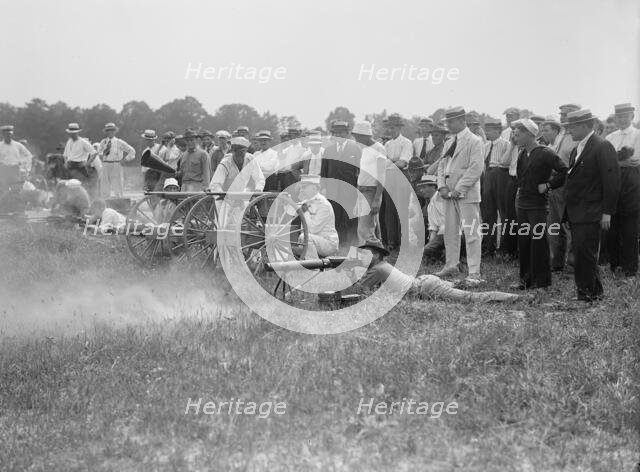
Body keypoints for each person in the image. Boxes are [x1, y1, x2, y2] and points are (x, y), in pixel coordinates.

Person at [564, 109, 620, 302]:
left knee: (586, 254)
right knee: (582, 253)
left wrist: (607, 212)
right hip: (577, 212)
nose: (569, 130)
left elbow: (611, 182)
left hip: (591, 211)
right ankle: (591, 293)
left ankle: (588, 295)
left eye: (573, 127)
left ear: (586, 126)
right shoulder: (577, 148)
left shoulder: (602, 146)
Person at [354, 240, 519, 302]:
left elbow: (359, 292)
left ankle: (518, 297)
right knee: (463, 286)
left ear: (375, 255)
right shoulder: (381, 266)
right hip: (425, 282)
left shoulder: (377, 270)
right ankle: (472, 281)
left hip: (426, 287)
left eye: (365, 254)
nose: (361, 257)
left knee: (472, 298)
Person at [511, 119, 568, 289]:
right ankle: (525, 280)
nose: (515, 137)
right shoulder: (522, 154)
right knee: (524, 241)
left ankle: (541, 282)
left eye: (518, 134)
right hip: (523, 204)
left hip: (538, 205)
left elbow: (564, 171)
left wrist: (549, 184)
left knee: (538, 241)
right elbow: (520, 177)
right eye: (514, 134)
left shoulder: (545, 153)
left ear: (529, 134)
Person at [435, 106, 484, 284]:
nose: (449, 125)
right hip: (448, 193)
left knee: (472, 232)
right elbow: (442, 167)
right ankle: (451, 265)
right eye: (447, 122)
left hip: (466, 194)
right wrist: (442, 187)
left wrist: (459, 188)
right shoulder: (449, 142)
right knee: (450, 231)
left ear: (463, 121)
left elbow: (476, 168)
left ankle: (474, 272)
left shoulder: (474, 141)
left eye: (452, 121)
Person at [605, 103, 640, 276]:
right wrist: (619, 163)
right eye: (619, 117)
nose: (622, 119)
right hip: (613, 182)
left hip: (632, 183)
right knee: (613, 226)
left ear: (632, 117)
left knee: (630, 228)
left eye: (626, 116)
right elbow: (607, 162)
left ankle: (630, 268)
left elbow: (635, 162)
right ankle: (615, 264)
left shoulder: (638, 135)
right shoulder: (610, 137)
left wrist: (619, 163)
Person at [320, 120, 361, 248]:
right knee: (335, 217)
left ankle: (352, 244)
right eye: (336, 133)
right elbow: (324, 172)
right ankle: (338, 242)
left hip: (350, 189)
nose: (339, 135)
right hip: (333, 190)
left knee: (351, 217)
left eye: (342, 132)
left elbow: (360, 171)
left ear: (347, 134)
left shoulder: (355, 148)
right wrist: (323, 189)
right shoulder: (328, 150)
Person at [352, 121, 386, 246]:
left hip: (371, 191)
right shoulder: (365, 149)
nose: (356, 140)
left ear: (364, 136)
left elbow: (381, 175)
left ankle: (373, 256)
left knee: (365, 230)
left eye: (357, 137)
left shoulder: (379, 148)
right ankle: (374, 256)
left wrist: (377, 199)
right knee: (368, 227)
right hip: (361, 190)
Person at [381, 114, 412, 250]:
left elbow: (402, 163)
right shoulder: (387, 144)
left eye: (394, 127)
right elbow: (382, 163)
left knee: (402, 209)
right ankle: (392, 242)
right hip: (388, 178)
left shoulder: (406, 142)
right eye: (390, 128)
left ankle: (404, 242)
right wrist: (393, 161)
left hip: (401, 177)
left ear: (399, 128)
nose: (391, 130)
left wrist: (390, 161)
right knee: (389, 210)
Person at [480, 118, 510, 257]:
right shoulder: (486, 146)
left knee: (504, 214)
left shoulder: (506, 144)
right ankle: (488, 247)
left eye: (489, 130)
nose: (487, 133)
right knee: (488, 214)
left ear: (498, 130)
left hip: (501, 176)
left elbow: (507, 163)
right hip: (488, 176)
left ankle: (504, 248)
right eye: (486, 130)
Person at [297, 174, 339, 259]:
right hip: (314, 240)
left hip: (328, 243)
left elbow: (312, 229)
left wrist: (304, 211)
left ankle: (313, 266)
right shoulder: (305, 202)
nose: (301, 190)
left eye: (304, 187)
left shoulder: (323, 204)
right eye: (300, 188)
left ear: (314, 188)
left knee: (304, 237)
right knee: (301, 238)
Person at [96, 122, 135, 198]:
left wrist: (126, 159)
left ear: (115, 131)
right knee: (104, 185)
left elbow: (132, 150)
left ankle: (119, 201)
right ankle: (105, 202)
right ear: (106, 132)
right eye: (108, 130)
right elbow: (99, 152)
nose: (110, 132)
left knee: (117, 185)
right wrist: (101, 154)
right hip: (105, 164)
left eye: (112, 130)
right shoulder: (103, 142)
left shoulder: (119, 142)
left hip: (116, 164)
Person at [420, 175, 446, 262]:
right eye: (421, 188)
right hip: (441, 236)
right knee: (427, 251)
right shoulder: (430, 206)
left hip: (456, 233)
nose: (421, 190)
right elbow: (433, 229)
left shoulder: (442, 197)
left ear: (434, 187)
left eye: (424, 187)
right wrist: (430, 246)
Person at [63, 123, 97, 188]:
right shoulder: (69, 141)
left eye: (74, 133)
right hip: (70, 166)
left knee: (80, 185)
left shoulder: (83, 142)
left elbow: (94, 153)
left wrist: (87, 164)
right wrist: (65, 162)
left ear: (77, 133)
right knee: (70, 186)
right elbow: (65, 155)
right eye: (71, 133)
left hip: (80, 167)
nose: (72, 134)